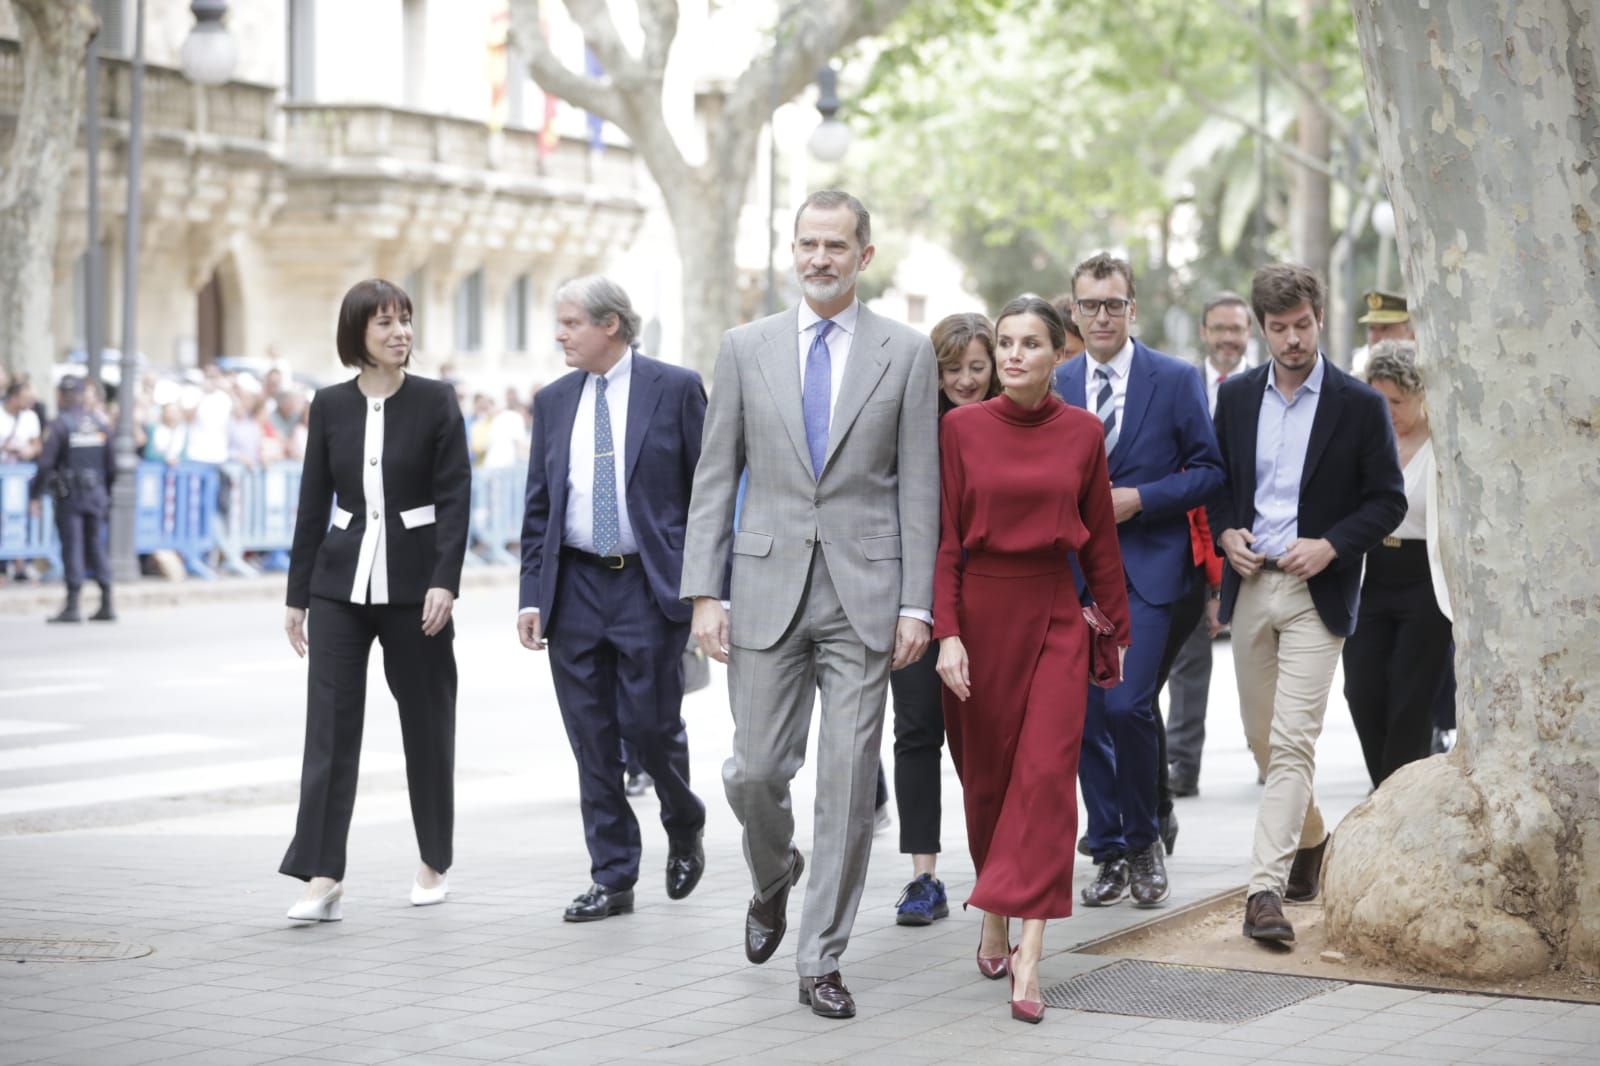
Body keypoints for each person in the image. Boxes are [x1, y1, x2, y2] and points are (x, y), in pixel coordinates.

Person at [680, 190, 938, 1020]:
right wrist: (703, 595)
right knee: (755, 770)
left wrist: (917, 606)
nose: (820, 258)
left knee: (847, 783)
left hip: (866, 594)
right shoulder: (745, 347)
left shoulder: (905, 352)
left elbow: (920, 487)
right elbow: (715, 477)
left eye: (836, 245)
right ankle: (772, 874)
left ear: (865, 256)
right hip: (761, 590)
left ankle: (820, 956)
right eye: (807, 244)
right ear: (793, 253)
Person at [935, 296, 1131, 1023]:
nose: (1013, 356)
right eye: (1005, 344)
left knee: (1047, 781)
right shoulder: (960, 429)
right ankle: (994, 906)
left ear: (1060, 355)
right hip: (979, 620)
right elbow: (946, 542)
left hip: (1053, 614)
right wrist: (947, 633)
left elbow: (1101, 543)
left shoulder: (1083, 433)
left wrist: (1111, 632)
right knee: (986, 783)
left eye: (1030, 345)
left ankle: (1030, 958)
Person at [1208, 263, 1406, 944]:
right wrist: (1225, 530)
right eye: (1280, 328)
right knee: (1265, 743)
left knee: (1294, 743)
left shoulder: (1358, 404)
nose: (1293, 339)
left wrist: (1332, 546)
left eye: (1303, 325)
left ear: (1320, 320)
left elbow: (1388, 499)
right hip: (1252, 582)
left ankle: (1265, 891)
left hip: (1317, 590)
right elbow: (1219, 485)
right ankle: (1313, 835)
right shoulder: (1234, 399)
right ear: (1262, 329)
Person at [517, 275, 709, 922]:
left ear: (611, 326)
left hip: (646, 584)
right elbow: (540, 504)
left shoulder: (675, 388)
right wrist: (530, 594)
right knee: (591, 739)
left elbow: (706, 495)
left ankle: (683, 816)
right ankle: (613, 875)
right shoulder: (552, 401)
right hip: (573, 585)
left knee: (650, 728)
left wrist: (710, 590)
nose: (559, 334)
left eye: (571, 322)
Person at [280, 278, 470, 921]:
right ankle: (322, 873)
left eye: (406, 321)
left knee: (426, 720)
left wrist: (445, 580)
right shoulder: (329, 405)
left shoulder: (437, 401)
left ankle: (433, 858)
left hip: (416, 587)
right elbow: (312, 504)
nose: (400, 333)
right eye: (385, 322)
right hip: (339, 585)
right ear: (357, 333)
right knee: (329, 728)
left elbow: (455, 499)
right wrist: (296, 596)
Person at [1054, 253, 1223, 911]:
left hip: (1149, 571)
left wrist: (1142, 499)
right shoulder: (1057, 380)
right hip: (1070, 577)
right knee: (1083, 717)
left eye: (1114, 304)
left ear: (1132, 309)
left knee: (1126, 705)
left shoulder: (1176, 380)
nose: (1102, 315)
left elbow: (1209, 471)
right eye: (1090, 304)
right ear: (1074, 310)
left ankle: (1146, 839)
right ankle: (1110, 849)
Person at [887, 311, 1000, 929]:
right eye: (951, 368)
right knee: (916, 731)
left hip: (988, 602)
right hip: (918, 603)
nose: (964, 379)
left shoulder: (1009, 423)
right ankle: (923, 876)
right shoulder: (915, 428)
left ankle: (998, 868)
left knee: (987, 738)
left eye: (975, 367)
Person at [1341, 340, 1454, 787]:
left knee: (1411, 698)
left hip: (1424, 579)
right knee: (1361, 691)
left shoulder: (1442, 444)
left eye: (1396, 401)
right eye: (1378, 399)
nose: (1386, 410)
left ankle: (1393, 795)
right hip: (1370, 574)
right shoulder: (1366, 440)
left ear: (1421, 395)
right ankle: (1391, 787)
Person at [1162, 292, 1251, 798]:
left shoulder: (1265, 387)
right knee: (1190, 660)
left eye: (1236, 329)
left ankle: (1271, 752)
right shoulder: (1184, 385)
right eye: (1218, 328)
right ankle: (1181, 764)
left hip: (1257, 538)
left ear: (1248, 333)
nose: (1227, 338)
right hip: (1197, 540)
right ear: (1203, 332)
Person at [28, 377, 116, 623]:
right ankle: (107, 601)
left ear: (60, 396)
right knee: (96, 545)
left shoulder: (61, 425)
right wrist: (105, 490)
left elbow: (45, 464)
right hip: (96, 493)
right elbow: (113, 464)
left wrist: (35, 495)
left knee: (73, 547)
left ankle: (73, 605)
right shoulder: (100, 423)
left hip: (71, 496)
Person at [1349, 290, 1414, 375]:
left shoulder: (1426, 374)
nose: (1375, 337)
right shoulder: (1359, 367)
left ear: (1411, 333)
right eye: (1371, 328)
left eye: (1385, 328)